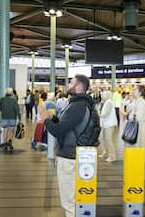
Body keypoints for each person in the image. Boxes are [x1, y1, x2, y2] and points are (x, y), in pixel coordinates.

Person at [41, 74, 95, 217]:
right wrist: (53, 118)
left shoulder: (77, 106)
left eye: (71, 82)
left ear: (78, 87)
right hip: (76, 155)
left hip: (69, 158)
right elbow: (68, 126)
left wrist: (46, 120)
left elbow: (59, 131)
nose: (68, 85)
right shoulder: (81, 104)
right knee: (75, 198)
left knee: (69, 202)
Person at [126, 86, 145, 162]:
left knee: (141, 144)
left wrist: (129, 116)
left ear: (140, 92)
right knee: (138, 144)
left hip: (141, 126)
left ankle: (142, 161)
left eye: (135, 89)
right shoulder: (136, 101)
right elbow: (129, 110)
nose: (133, 91)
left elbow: (137, 116)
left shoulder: (141, 102)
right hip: (137, 125)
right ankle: (139, 160)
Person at [98, 90, 118, 162]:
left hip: (109, 124)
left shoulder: (109, 102)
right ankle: (104, 152)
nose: (101, 96)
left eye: (103, 95)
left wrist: (99, 115)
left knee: (109, 140)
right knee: (102, 138)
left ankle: (112, 156)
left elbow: (106, 113)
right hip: (105, 124)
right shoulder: (105, 102)